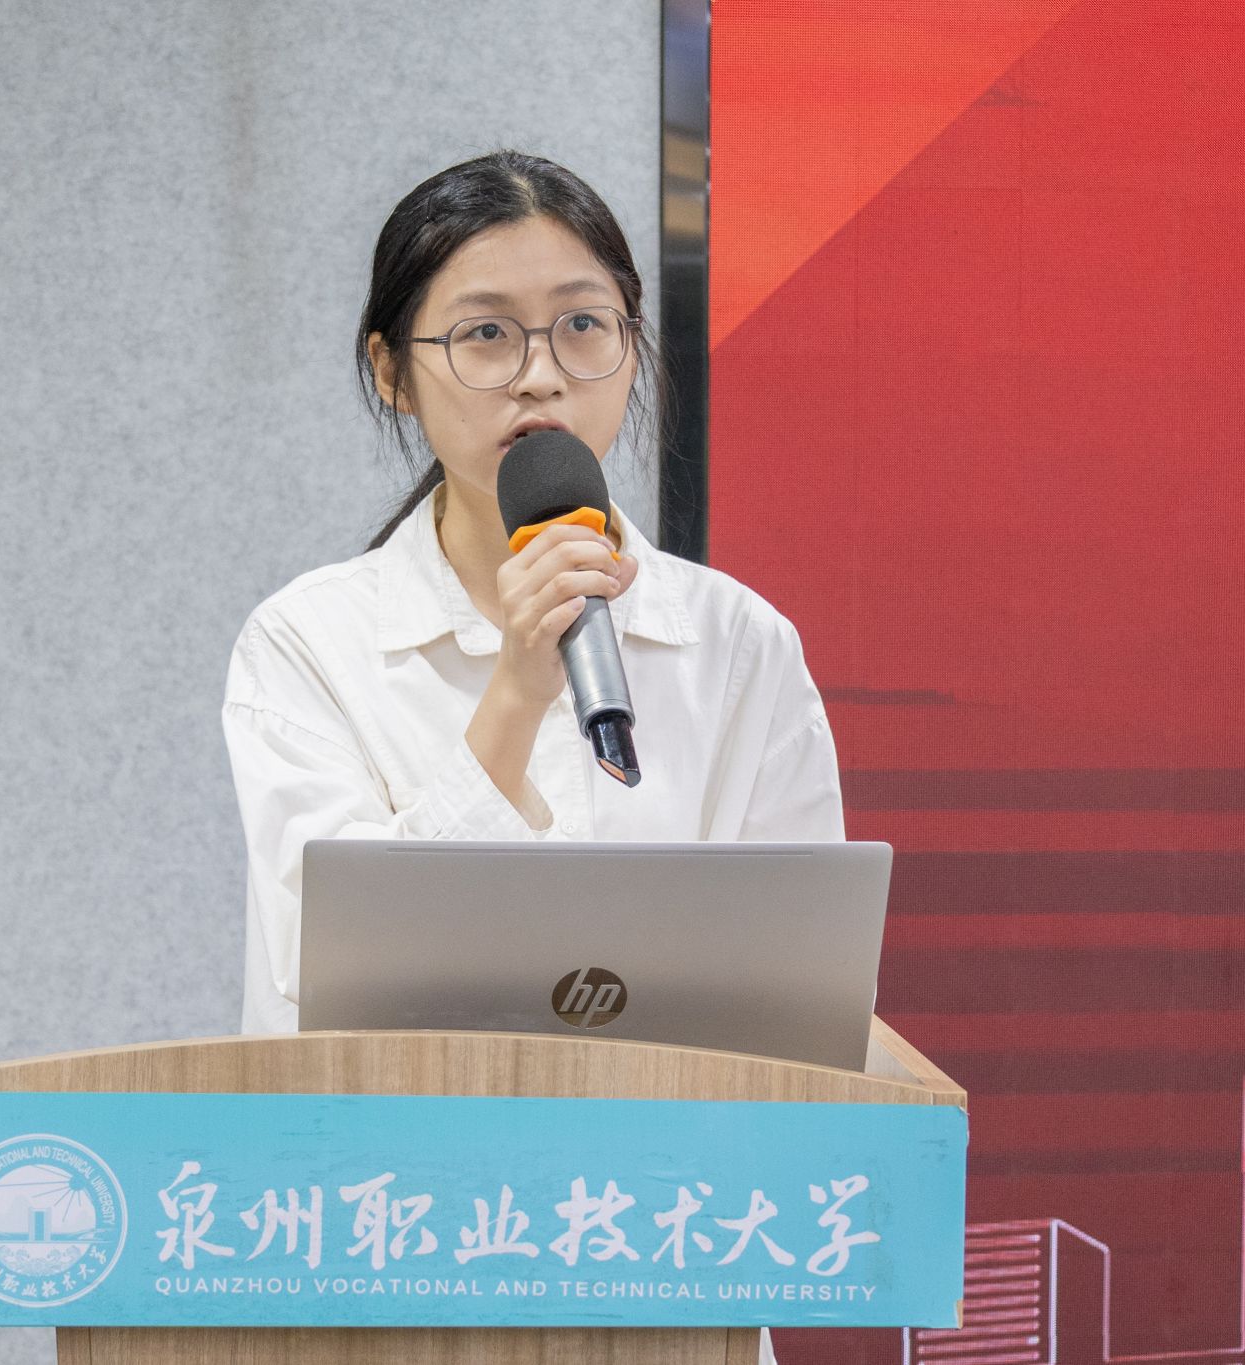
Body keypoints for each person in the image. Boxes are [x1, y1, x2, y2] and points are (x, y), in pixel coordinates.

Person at [219, 151, 843, 1360]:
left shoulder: (739, 644)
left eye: (581, 326)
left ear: (631, 348)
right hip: (389, 1251)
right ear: (389, 369)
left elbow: (801, 994)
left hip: (667, 1262)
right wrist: (515, 687)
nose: (541, 373)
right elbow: (327, 966)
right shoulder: (308, 642)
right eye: (485, 335)